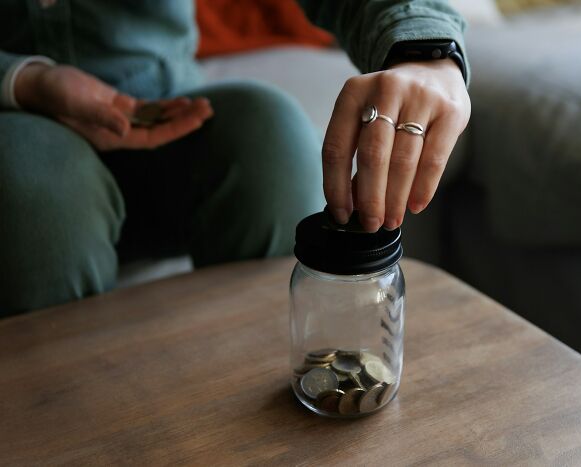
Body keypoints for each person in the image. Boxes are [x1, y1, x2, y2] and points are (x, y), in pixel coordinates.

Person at [0, 0, 471, 316]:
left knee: (269, 137)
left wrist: (426, 49)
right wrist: (23, 82)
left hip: (171, 109)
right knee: (37, 196)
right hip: (13, 117)